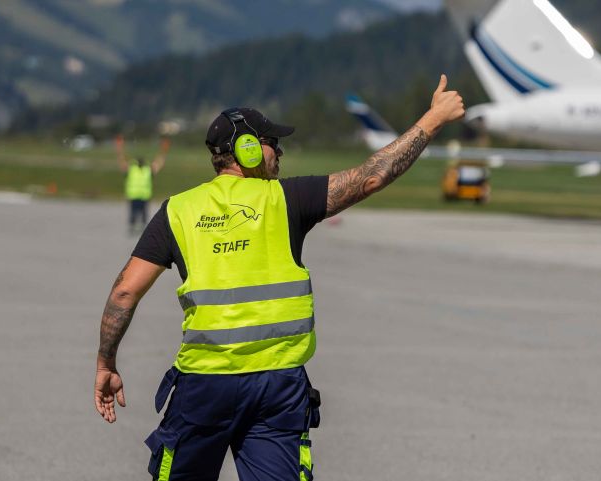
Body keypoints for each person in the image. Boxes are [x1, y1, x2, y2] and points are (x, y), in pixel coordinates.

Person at [94, 74, 464, 481]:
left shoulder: (178, 210)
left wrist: (106, 361)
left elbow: (126, 291)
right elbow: (372, 175)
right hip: (277, 387)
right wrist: (432, 120)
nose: (280, 151)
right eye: (272, 143)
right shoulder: (286, 200)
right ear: (247, 150)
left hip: (205, 385)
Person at [116, 135, 171, 234]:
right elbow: (122, 162)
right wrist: (120, 148)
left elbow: (159, 163)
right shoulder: (133, 169)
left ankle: (142, 228)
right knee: (133, 213)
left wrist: (164, 150)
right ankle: (133, 227)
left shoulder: (147, 169)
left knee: (143, 214)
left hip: (144, 196)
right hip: (134, 195)